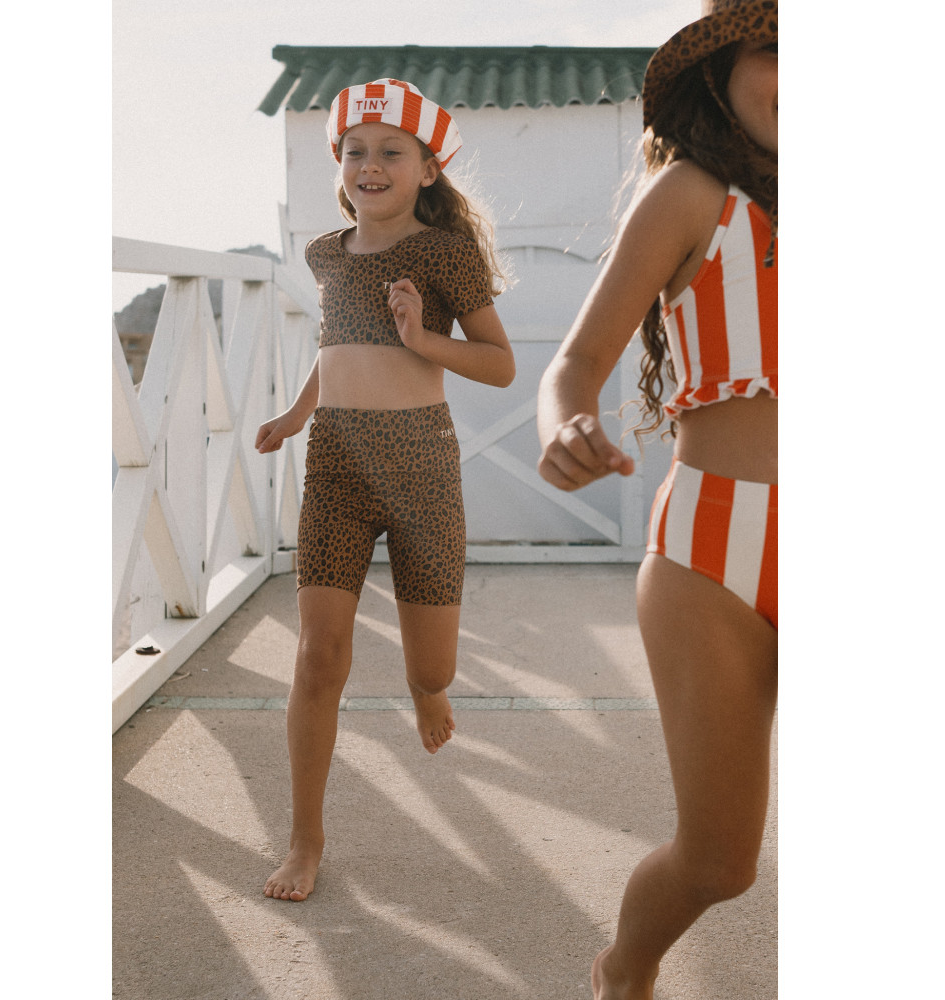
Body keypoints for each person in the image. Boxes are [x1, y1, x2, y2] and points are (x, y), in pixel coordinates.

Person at [536, 2, 778, 996]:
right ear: (720, 71)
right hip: (710, 555)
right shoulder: (691, 195)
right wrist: (564, 424)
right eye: (778, 50)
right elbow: (575, 364)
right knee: (720, 862)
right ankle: (624, 967)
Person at [256, 78, 515, 902]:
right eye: (355, 151)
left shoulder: (445, 254)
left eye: (390, 152)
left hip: (420, 466)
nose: (370, 165)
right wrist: (296, 415)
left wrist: (422, 336)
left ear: (428, 169)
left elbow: (501, 365)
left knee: (435, 667)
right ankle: (305, 839)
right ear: (340, 165)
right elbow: (334, 348)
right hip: (336, 463)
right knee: (317, 656)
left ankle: (424, 686)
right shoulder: (327, 254)